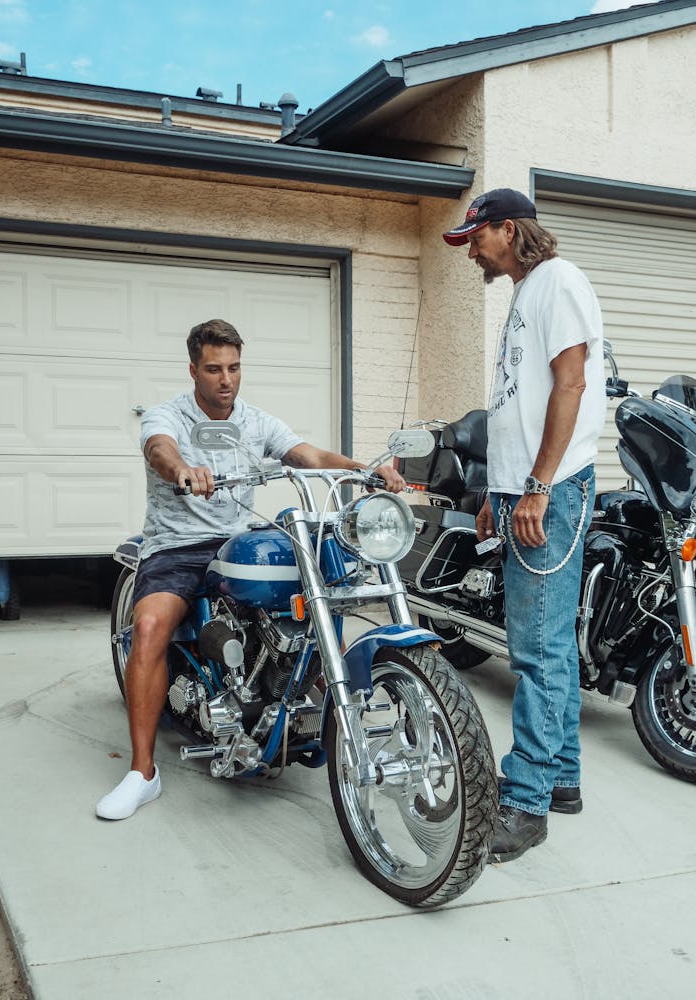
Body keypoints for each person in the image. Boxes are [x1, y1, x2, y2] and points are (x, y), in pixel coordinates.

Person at [96, 318, 405, 820]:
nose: (226, 380)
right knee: (150, 627)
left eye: (234, 368)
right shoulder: (166, 415)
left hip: (238, 541)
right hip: (177, 547)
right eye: (214, 369)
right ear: (193, 369)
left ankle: (306, 706)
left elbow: (305, 453)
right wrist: (182, 471)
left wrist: (360, 469)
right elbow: (159, 448)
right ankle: (142, 772)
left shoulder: (256, 422)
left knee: (308, 608)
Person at [443, 189, 606, 862]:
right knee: (552, 645)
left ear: (510, 229)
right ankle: (561, 778)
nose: (471, 248)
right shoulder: (525, 291)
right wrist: (496, 492)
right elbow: (518, 401)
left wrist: (536, 487)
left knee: (535, 653)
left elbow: (570, 384)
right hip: (521, 492)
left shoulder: (558, 281)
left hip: (552, 490)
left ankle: (526, 801)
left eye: (477, 236)